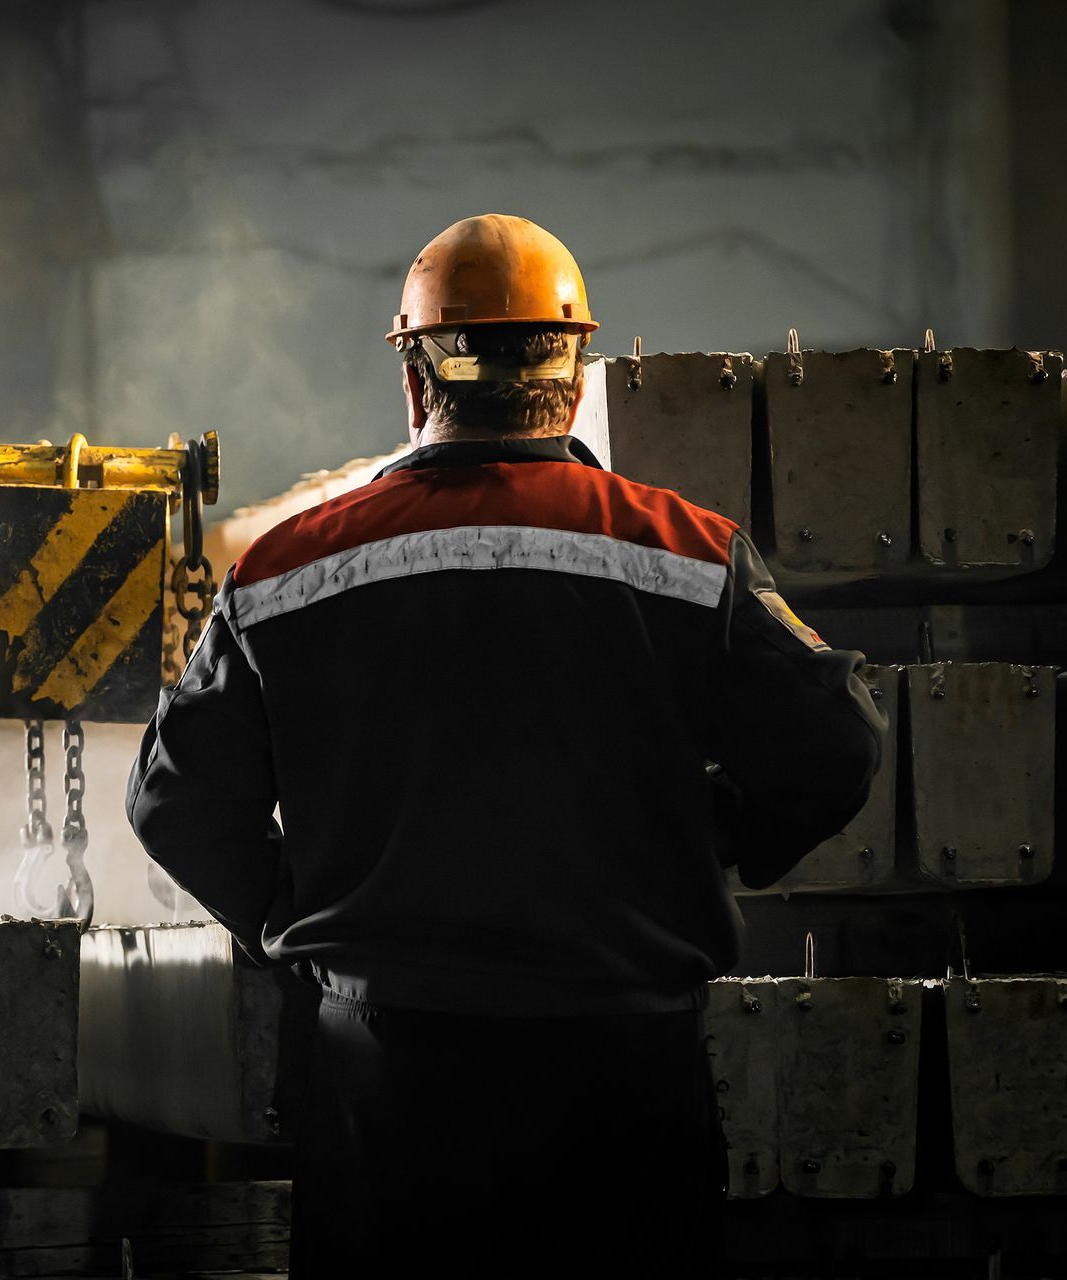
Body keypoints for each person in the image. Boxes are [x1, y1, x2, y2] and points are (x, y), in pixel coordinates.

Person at [125, 213, 884, 1276]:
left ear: (413, 378)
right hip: (621, 1072)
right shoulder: (683, 552)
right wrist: (719, 835)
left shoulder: (287, 570)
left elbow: (174, 803)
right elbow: (840, 743)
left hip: (388, 1081)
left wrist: (288, 904)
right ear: (573, 375)